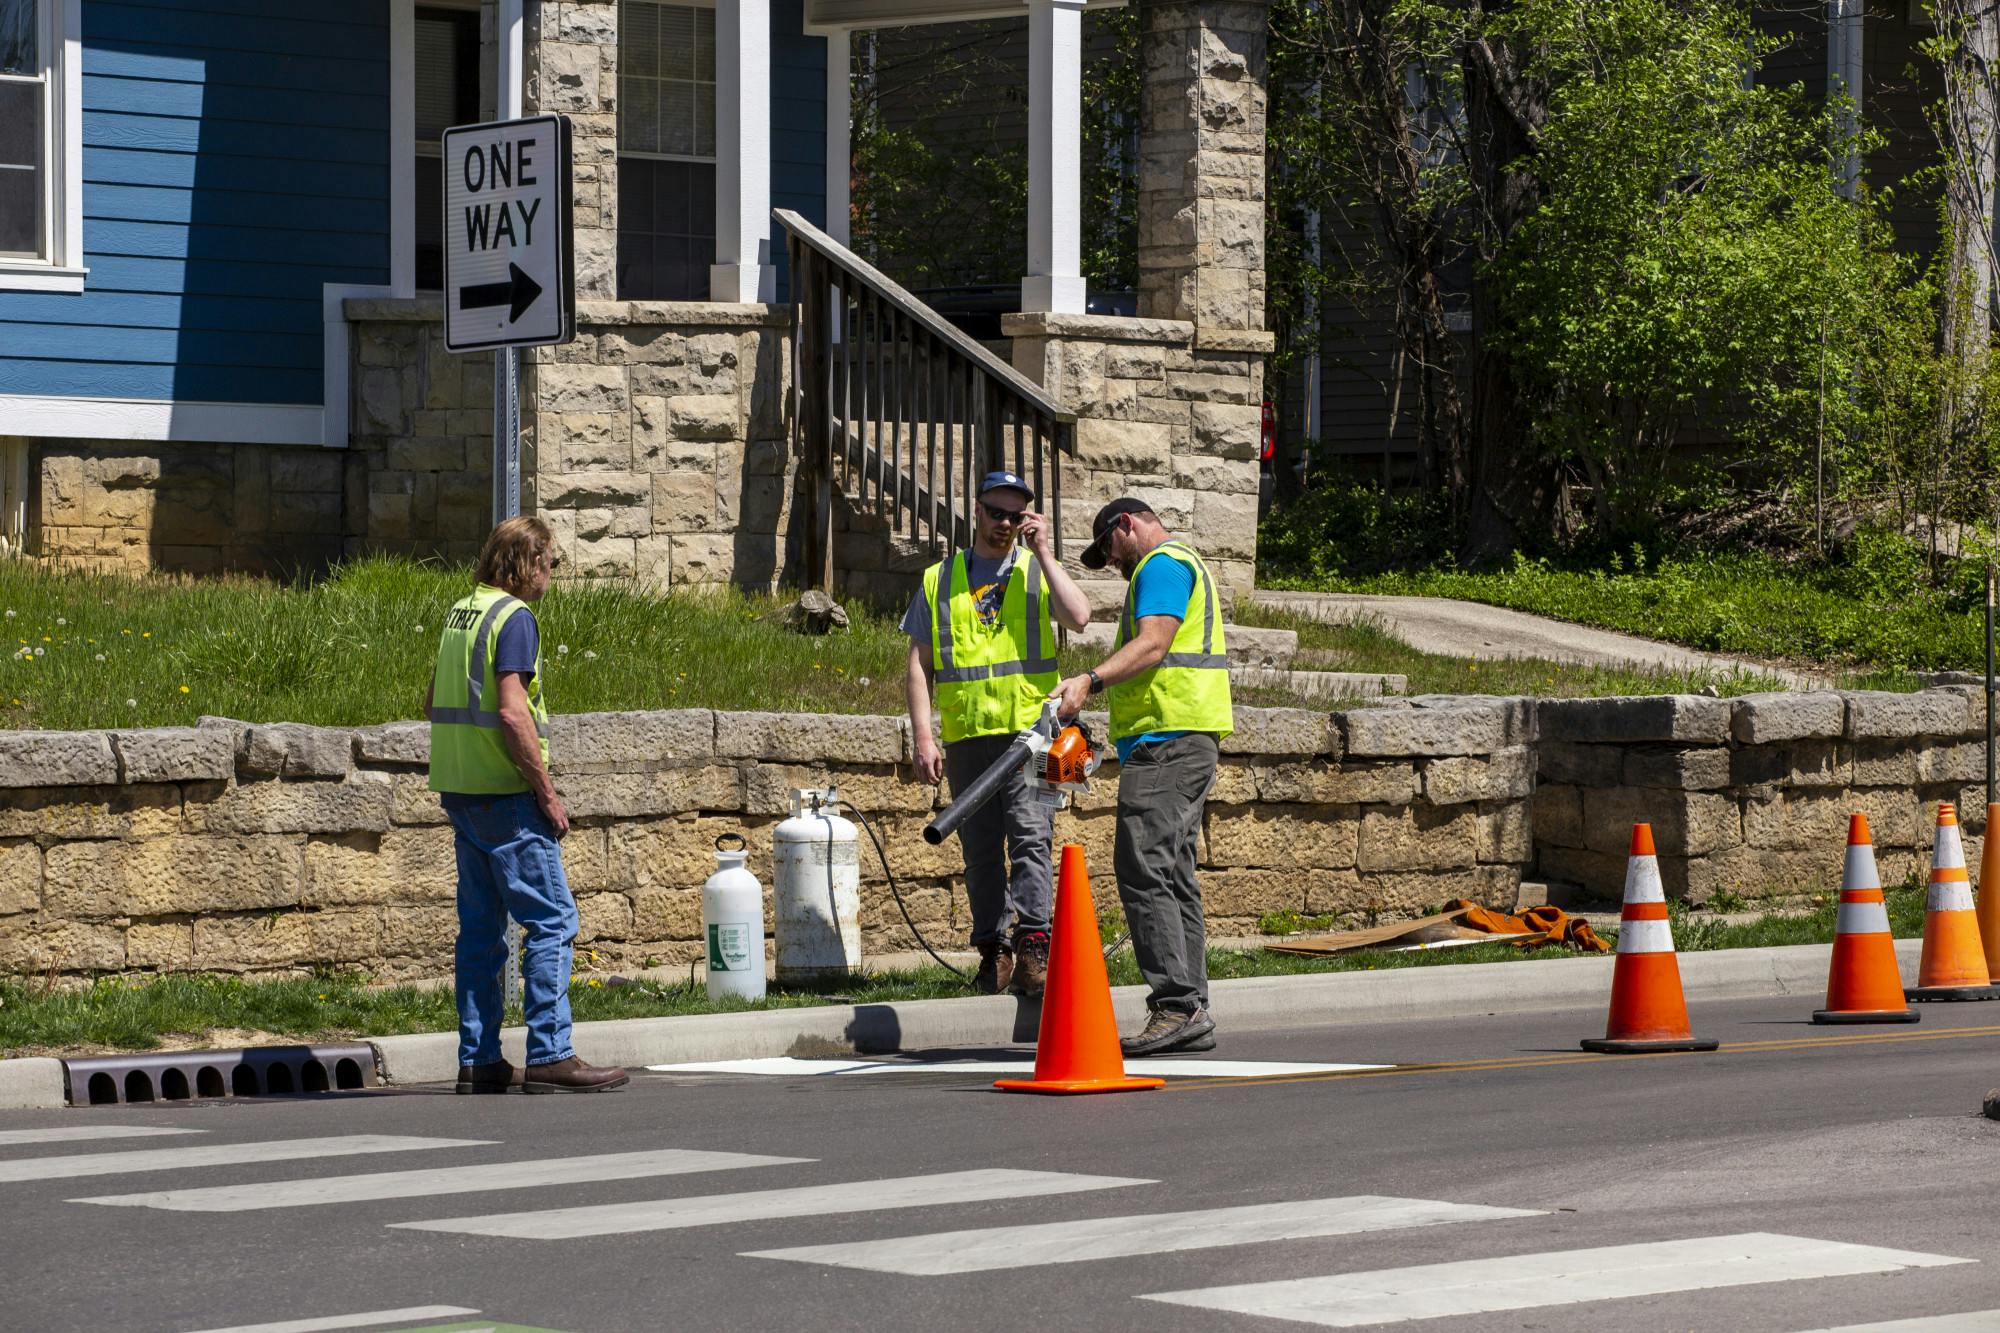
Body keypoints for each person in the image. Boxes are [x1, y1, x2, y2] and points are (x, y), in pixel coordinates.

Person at [427, 516, 628, 1094]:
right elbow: (514, 712)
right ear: (528, 564)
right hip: (506, 794)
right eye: (551, 563)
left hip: (461, 791)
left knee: (482, 932)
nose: (552, 575)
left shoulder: (462, 611)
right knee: (552, 920)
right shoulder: (515, 619)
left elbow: (433, 698)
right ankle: (549, 1053)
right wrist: (545, 791)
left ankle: (479, 1059)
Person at [1049, 498, 1234, 1055]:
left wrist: (1089, 679)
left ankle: (1176, 1004)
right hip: (1179, 740)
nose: (1111, 561)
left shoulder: (1160, 565)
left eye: (1108, 546)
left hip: (1168, 743)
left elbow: (1154, 645)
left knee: (1143, 863)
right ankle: (1189, 1007)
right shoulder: (1180, 565)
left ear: (1127, 524)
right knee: (1172, 872)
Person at [904, 470, 1091, 996]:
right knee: (980, 851)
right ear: (977, 511)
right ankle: (993, 950)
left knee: (1033, 840)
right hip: (968, 736)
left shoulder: (1036, 571)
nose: (1005, 524)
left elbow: (1079, 617)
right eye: (996, 512)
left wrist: (1047, 553)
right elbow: (919, 663)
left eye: (1015, 515)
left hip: (1036, 734)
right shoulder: (939, 579)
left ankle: (1035, 948)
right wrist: (924, 736)